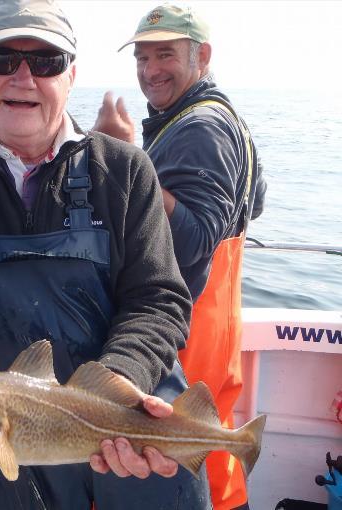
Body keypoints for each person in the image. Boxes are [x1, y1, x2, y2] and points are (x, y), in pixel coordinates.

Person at [0, 1, 211, 508]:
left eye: (47, 61)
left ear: (71, 75)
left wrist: (118, 385)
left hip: (139, 431)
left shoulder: (125, 169)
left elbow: (158, 299)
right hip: (20, 451)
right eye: (1, 58)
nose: (23, 77)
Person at [92, 5, 267, 510]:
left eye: (165, 54)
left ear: (202, 56)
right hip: (215, 327)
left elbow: (192, 244)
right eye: (142, 58)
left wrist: (125, 157)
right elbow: (252, 202)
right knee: (211, 459)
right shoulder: (223, 118)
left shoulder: (201, 128)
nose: (150, 71)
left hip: (183, 332)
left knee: (174, 475)